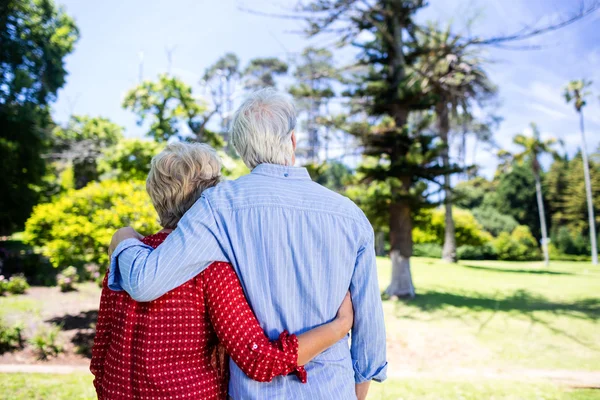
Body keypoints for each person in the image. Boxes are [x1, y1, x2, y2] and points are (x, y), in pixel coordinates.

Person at [109, 89, 387, 400]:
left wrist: (124, 238)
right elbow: (370, 335)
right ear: (292, 140)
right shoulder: (350, 215)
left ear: (242, 150)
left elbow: (146, 282)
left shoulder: (217, 206)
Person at [92, 142, 353, 400]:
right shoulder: (211, 269)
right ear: (211, 196)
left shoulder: (125, 259)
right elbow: (259, 360)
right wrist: (338, 328)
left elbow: (100, 356)